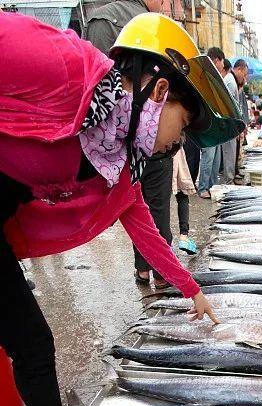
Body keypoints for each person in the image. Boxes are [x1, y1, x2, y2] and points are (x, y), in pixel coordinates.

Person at [0, 13, 243, 406]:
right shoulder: (63, 66)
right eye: (184, 125)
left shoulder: (117, 164)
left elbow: (148, 234)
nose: (178, 141)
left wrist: (192, 289)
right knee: (28, 334)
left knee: (28, 335)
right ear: (161, 92)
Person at [84, 0, 178, 288]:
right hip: (139, 141)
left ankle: (146, 270)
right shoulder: (158, 30)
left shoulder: (101, 20)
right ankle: (162, 274)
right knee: (155, 208)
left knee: (138, 207)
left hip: (121, 145)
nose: (164, 5)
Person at [197, 46, 226, 199]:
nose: (222, 66)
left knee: (215, 157)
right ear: (216, 60)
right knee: (208, 155)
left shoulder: (212, 76)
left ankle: (213, 187)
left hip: (215, 122)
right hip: (207, 122)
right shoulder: (205, 76)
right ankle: (203, 187)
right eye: (222, 62)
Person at [221, 59, 248, 184]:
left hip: (230, 125)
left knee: (230, 154)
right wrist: (237, 128)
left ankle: (229, 180)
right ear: (239, 69)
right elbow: (232, 108)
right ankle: (228, 182)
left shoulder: (232, 81)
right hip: (229, 125)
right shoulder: (231, 83)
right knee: (229, 154)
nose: (245, 77)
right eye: (245, 74)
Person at [173, 136, 198, 254]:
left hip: (156, 151)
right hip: (176, 150)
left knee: (160, 200)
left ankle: (163, 240)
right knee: (182, 193)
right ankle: (183, 236)